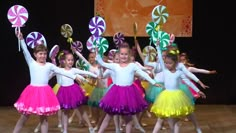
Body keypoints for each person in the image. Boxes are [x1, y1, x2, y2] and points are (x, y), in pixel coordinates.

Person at [13, 32, 83, 133]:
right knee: (24, 116)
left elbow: (62, 71)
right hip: (32, 92)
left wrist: (75, 76)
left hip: (44, 93)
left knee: (44, 118)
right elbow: (25, 51)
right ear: (35, 55)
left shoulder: (49, 65)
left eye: (44, 54)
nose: (43, 56)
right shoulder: (31, 63)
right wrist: (21, 39)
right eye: (40, 54)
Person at [95, 42, 161, 133]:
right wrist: (97, 53)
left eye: (126, 54)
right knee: (108, 116)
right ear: (118, 54)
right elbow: (102, 63)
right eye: (122, 54)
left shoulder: (132, 66)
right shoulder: (115, 66)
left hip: (128, 94)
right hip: (116, 93)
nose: (124, 56)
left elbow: (143, 74)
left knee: (128, 118)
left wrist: (153, 82)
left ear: (129, 54)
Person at [151, 41, 206, 133]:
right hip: (166, 97)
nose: (167, 65)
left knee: (175, 118)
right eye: (166, 63)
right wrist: (158, 47)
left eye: (170, 63)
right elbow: (160, 58)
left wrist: (198, 90)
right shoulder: (165, 70)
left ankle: (181, 130)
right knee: (161, 118)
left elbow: (188, 82)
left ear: (175, 63)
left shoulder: (179, 73)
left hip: (177, 97)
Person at [56, 51, 98, 133]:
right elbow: (51, 73)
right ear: (64, 61)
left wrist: (95, 75)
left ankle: (90, 127)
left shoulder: (74, 70)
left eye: (72, 60)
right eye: (68, 60)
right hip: (64, 92)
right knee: (65, 111)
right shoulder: (60, 70)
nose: (71, 61)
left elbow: (85, 72)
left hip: (73, 91)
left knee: (81, 109)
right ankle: (65, 130)